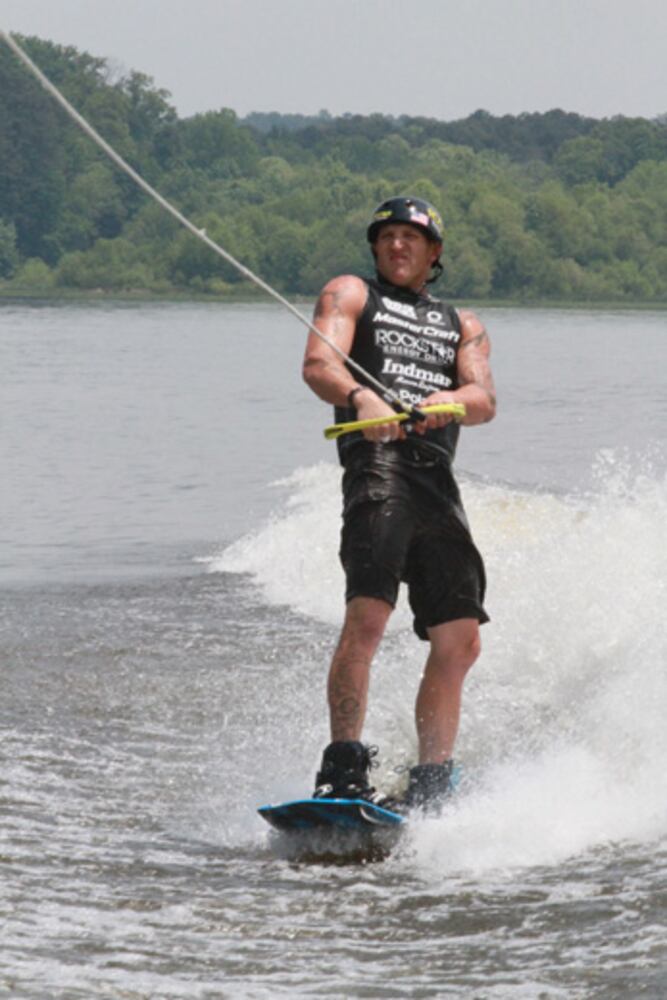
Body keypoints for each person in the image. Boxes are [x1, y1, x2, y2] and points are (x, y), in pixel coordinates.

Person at [302, 196, 496, 811]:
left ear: (433, 252)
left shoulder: (463, 323)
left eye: (410, 238)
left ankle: (432, 781)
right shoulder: (351, 294)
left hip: (435, 478)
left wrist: (448, 402)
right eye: (386, 236)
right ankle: (342, 767)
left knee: (460, 638)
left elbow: (484, 399)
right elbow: (318, 365)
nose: (396, 245)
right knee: (369, 615)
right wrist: (362, 397)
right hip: (377, 465)